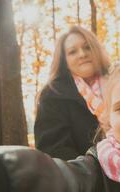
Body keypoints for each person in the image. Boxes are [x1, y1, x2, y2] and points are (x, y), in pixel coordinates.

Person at [34, 26, 110, 160]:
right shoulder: (52, 94)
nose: (82, 54)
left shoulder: (119, 82)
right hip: (86, 176)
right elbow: (53, 149)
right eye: (73, 52)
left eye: (87, 47)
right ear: (65, 61)